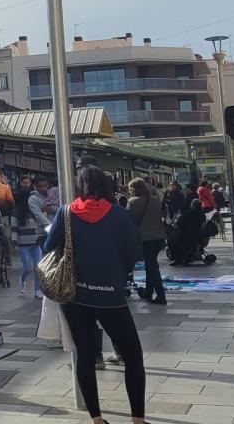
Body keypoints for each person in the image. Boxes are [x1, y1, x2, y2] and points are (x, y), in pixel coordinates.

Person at [44, 165, 145, 424]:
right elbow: (134, 252)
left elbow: (48, 247)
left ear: (81, 185)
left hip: (76, 296)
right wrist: (117, 274)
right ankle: (137, 419)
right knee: (133, 357)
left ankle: (97, 419)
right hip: (112, 296)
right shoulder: (119, 215)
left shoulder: (65, 213)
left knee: (85, 357)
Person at [127, 178, 167, 306]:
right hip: (159, 237)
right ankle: (149, 294)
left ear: (134, 189)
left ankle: (161, 295)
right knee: (151, 265)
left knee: (152, 267)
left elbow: (128, 220)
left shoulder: (133, 202)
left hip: (145, 238)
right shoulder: (155, 200)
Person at [12, 176, 41, 299]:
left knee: (38, 267)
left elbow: (41, 222)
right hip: (23, 242)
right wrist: (14, 241)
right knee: (27, 268)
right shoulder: (16, 212)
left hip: (36, 241)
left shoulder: (36, 210)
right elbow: (14, 227)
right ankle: (22, 281)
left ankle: (37, 290)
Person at [29, 176, 56, 249]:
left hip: (57, 228)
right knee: (47, 255)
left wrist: (51, 209)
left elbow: (61, 208)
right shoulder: (33, 199)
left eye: (45, 186)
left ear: (48, 185)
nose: (43, 188)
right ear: (36, 187)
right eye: (40, 186)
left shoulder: (54, 194)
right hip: (43, 232)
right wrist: (51, 226)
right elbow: (38, 214)